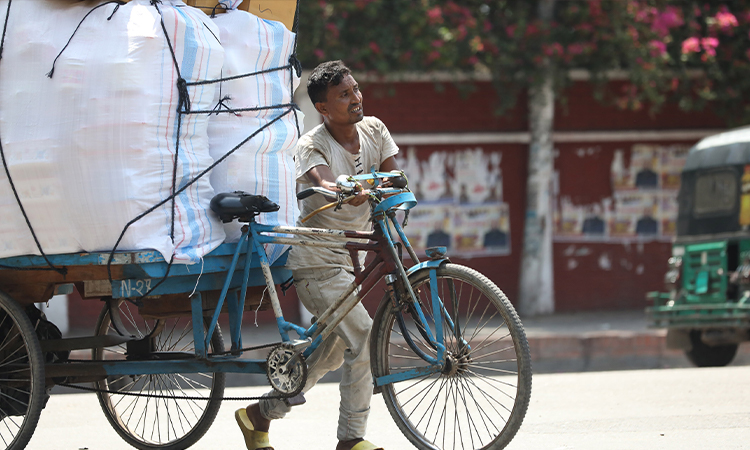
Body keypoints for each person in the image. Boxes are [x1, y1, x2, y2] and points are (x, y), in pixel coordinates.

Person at [235, 60, 398, 450]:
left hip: (348, 255)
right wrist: (344, 187)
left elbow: (393, 175)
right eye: (344, 95)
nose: (355, 99)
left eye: (355, 89)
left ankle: (258, 415)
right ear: (323, 108)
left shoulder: (374, 129)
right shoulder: (312, 144)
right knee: (363, 335)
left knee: (334, 350)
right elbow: (322, 180)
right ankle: (351, 440)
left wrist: (391, 189)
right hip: (316, 260)